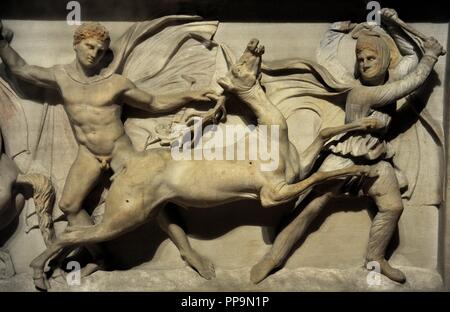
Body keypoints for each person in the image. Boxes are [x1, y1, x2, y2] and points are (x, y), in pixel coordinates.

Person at [0, 21, 215, 274]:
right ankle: (100, 257)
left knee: (151, 201)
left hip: (119, 152)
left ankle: (188, 252)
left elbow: (153, 102)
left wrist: (188, 96)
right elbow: (20, 68)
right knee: (69, 205)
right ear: (76, 45)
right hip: (88, 154)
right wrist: (2, 42)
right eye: (89, 47)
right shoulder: (61, 76)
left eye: (100, 51)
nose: (94, 54)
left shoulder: (115, 83)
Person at [250, 8, 444, 284]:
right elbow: (409, 83)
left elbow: (409, 58)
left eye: (371, 58)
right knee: (312, 207)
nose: (364, 63)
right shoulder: (361, 93)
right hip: (344, 157)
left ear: (385, 59)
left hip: (375, 160)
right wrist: (431, 57)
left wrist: (391, 24)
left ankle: (375, 257)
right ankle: (273, 258)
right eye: (360, 59)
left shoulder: (390, 77)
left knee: (392, 207)